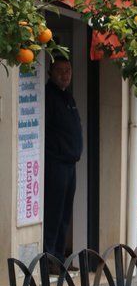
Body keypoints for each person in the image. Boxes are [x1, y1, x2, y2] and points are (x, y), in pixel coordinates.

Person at [44, 57, 83, 273]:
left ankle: (59, 256)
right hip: (55, 163)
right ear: (51, 72)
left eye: (68, 70)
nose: (65, 74)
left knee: (65, 211)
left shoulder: (67, 96)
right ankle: (49, 258)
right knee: (54, 211)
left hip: (69, 164)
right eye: (60, 70)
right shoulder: (49, 96)